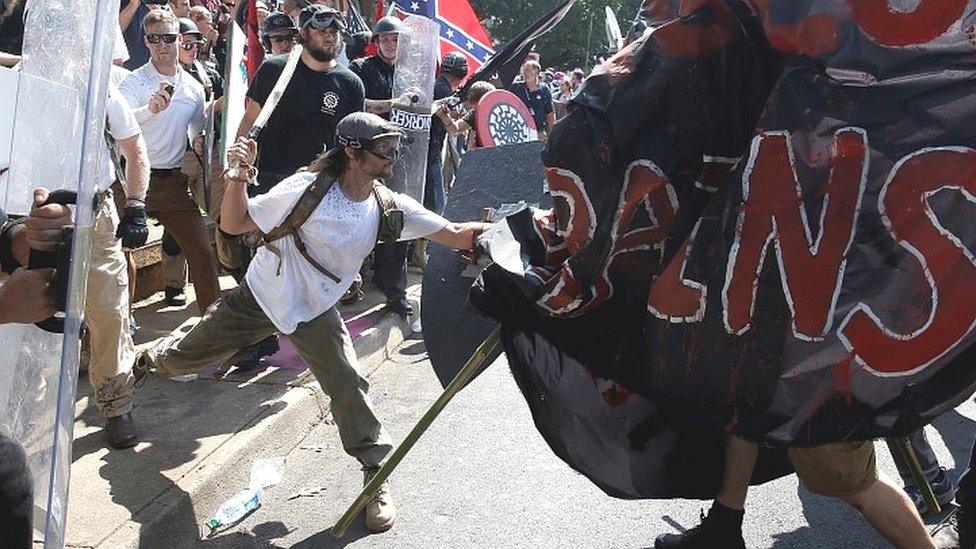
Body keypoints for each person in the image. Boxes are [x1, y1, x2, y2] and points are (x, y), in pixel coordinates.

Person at [137, 111, 492, 534]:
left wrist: (510, 232)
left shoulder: (387, 208)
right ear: (351, 151)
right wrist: (237, 177)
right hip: (262, 298)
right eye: (383, 149)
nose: (392, 157)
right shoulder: (305, 190)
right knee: (180, 362)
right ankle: (147, 362)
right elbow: (234, 223)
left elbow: (453, 233)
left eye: (395, 148)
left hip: (314, 312)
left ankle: (375, 474)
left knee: (347, 381)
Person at [231, 3, 364, 368]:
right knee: (261, 265)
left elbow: (352, 144)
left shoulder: (350, 84)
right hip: (271, 183)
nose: (330, 36)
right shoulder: (276, 69)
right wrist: (238, 162)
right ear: (304, 33)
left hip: (319, 190)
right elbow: (251, 119)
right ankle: (258, 338)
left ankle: (314, 338)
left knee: (310, 265)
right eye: (322, 30)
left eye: (335, 31)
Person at [655, 436, 938, 549]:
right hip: (763, 346)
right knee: (745, 422)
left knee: (849, 479)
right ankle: (723, 527)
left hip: (812, 352)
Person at [119, 7, 222, 315]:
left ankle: (216, 328)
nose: (161, 45)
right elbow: (116, 125)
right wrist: (149, 110)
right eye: (154, 39)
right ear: (146, 42)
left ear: (179, 39)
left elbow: (193, 130)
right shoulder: (134, 83)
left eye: (167, 37)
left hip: (173, 185)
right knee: (117, 259)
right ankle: (120, 326)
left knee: (203, 254)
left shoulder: (192, 88)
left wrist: (200, 141)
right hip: (129, 185)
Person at [350, 14, 414, 316]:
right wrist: (392, 104)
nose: (390, 43)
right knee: (354, 220)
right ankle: (348, 283)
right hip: (362, 158)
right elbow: (357, 105)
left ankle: (394, 291)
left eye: (395, 38)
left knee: (395, 222)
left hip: (398, 160)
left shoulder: (411, 73)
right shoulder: (361, 69)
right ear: (376, 42)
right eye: (385, 38)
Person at [435, 80, 495, 150]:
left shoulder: (505, 111)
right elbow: (455, 129)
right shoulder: (475, 113)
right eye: (476, 108)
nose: (478, 110)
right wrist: (444, 117)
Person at [508, 60, 555, 138]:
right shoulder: (515, 87)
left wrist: (552, 134)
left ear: (536, 72)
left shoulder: (544, 89)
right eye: (524, 70)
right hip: (518, 130)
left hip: (538, 131)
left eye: (528, 70)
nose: (525, 73)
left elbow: (550, 113)